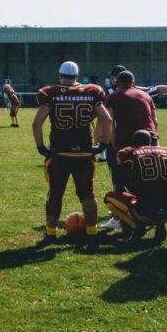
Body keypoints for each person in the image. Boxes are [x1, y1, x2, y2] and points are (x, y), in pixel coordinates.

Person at [32, 61, 112, 249]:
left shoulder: (50, 93)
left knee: (55, 194)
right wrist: (103, 145)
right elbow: (107, 119)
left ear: (60, 75)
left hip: (60, 152)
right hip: (84, 153)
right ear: (77, 76)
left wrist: (41, 147)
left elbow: (37, 123)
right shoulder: (92, 91)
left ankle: (51, 234)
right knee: (88, 195)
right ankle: (92, 232)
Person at [102, 70, 158, 231]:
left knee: (120, 181)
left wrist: (113, 144)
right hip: (150, 138)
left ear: (116, 83)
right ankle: (151, 213)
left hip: (127, 141)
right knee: (148, 178)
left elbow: (110, 122)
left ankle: (119, 218)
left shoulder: (113, 96)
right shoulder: (145, 95)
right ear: (133, 82)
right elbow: (155, 120)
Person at [104, 130, 167, 244]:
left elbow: (119, 186)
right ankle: (161, 226)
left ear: (133, 142)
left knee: (109, 198)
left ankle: (136, 226)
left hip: (143, 212)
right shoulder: (166, 151)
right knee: (158, 193)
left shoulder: (128, 153)